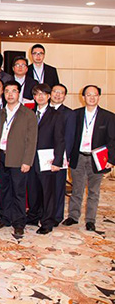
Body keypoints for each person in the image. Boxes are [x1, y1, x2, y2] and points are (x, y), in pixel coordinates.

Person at [64, 85, 115, 231]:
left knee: (94, 191)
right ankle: (73, 216)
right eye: (88, 95)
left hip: (98, 159)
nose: (92, 98)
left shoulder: (108, 117)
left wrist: (111, 160)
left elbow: (112, 140)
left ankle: (90, 220)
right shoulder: (75, 114)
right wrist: (67, 156)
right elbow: (69, 137)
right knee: (77, 189)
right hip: (78, 156)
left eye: (95, 95)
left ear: (99, 97)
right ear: (83, 97)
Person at [0, 81, 37, 237]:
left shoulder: (28, 114)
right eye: (7, 91)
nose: (10, 94)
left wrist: (27, 161)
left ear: (19, 93)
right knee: (4, 189)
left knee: (18, 191)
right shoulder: (1, 113)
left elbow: (32, 140)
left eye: (13, 91)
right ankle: (5, 217)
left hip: (18, 158)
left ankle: (18, 222)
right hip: (2, 156)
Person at [26, 83, 65, 234]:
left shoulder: (56, 115)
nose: (40, 97)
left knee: (48, 192)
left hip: (47, 159)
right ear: (34, 97)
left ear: (48, 96)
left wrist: (57, 161)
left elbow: (60, 140)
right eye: (37, 94)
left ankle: (47, 222)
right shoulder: (29, 113)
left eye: (43, 94)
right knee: (33, 190)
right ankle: (33, 216)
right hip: (30, 158)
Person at [49, 83, 76, 225]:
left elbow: (69, 138)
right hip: (43, 156)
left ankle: (56, 216)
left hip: (59, 157)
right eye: (55, 91)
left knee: (58, 187)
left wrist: (62, 158)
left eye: (61, 93)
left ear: (65, 96)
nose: (57, 95)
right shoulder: (43, 110)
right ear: (50, 93)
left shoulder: (69, 114)